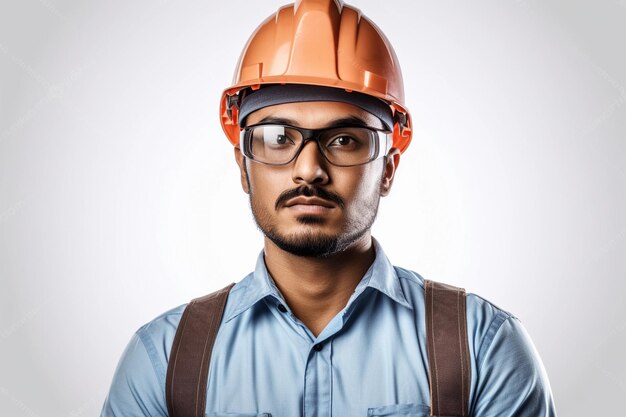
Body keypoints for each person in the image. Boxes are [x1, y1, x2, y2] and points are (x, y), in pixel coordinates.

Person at [101, 1, 556, 416]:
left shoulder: (483, 347)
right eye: (279, 137)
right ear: (243, 166)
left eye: (343, 140)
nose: (309, 170)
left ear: (389, 170)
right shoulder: (163, 358)